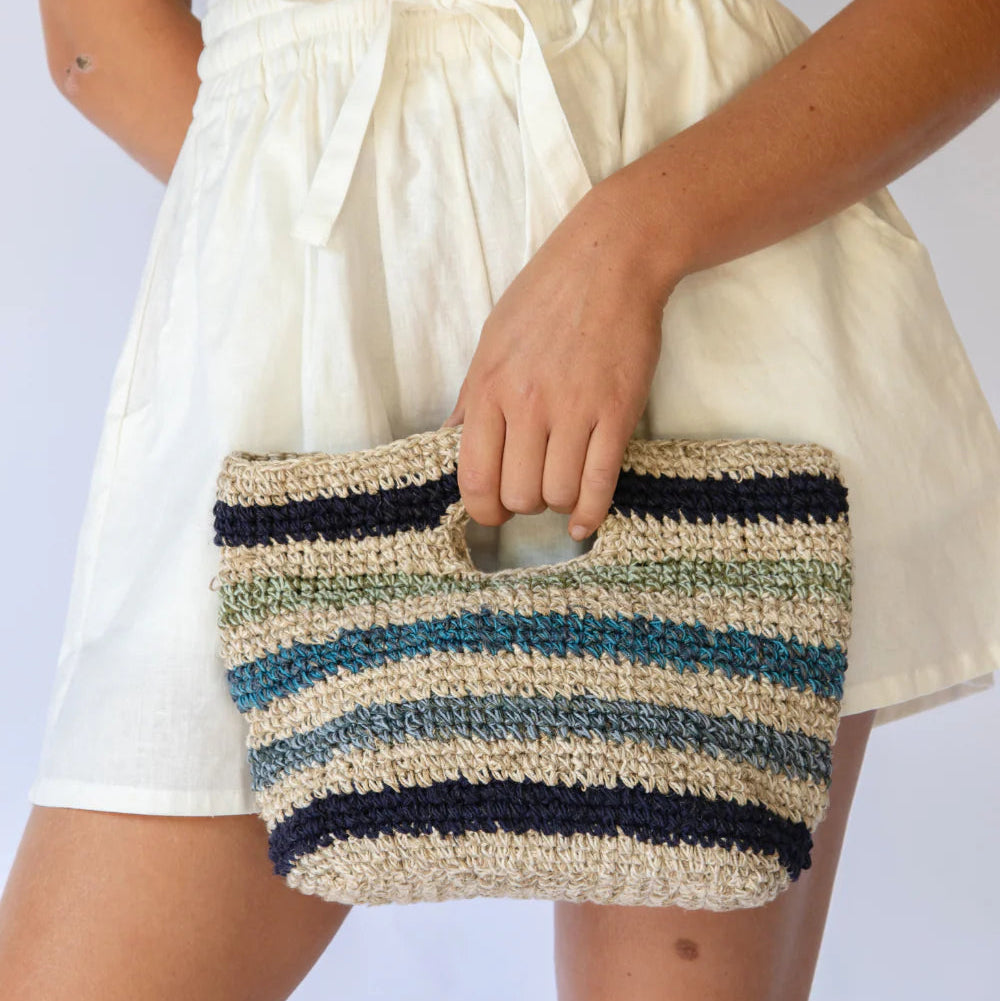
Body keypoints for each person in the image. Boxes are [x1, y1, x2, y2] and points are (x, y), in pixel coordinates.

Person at [2, 0, 998, 997]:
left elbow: (95, 40)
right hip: (650, 222)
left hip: (693, 244)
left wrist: (618, 245)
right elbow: (93, 50)